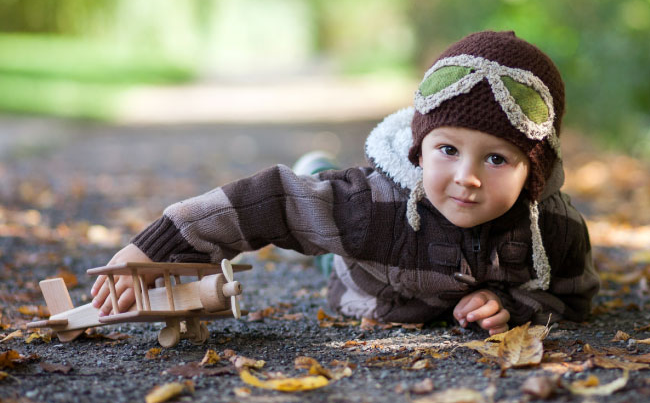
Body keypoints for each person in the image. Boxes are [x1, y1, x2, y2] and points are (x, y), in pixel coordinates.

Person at [91, 31, 600, 335]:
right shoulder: (372, 205)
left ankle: (321, 175)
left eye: (496, 159)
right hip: (366, 279)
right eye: (447, 150)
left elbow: (573, 298)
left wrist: (512, 306)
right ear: (419, 147)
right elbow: (265, 204)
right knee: (321, 217)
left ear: (531, 172)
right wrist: (153, 250)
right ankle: (319, 174)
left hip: (414, 279)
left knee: (330, 212)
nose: (466, 178)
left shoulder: (554, 228)